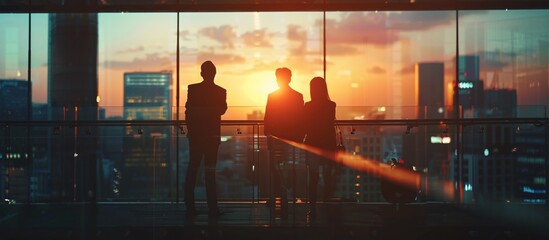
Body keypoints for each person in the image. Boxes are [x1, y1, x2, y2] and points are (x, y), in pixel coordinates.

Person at [184, 60, 227, 218]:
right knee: (210, 172)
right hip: (211, 137)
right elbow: (221, 110)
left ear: (202, 73)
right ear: (214, 73)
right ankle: (212, 209)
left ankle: (190, 207)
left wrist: (193, 127)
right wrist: (210, 111)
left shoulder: (193, 89)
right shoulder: (220, 91)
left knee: (193, 170)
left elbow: (189, 111)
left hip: (196, 136)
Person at [264, 67, 305, 219]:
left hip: (277, 138)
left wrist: (268, 135)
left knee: (276, 168)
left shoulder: (272, 96)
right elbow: (301, 119)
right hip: (292, 139)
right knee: (291, 167)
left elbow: (268, 118)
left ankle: (279, 195)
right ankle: (288, 195)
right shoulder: (297, 96)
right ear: (290, 78)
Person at [303, 76, 337, 217]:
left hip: (312, 143)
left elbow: (305, 126)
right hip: (327, 144)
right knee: (328, 176)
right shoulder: (331, 105)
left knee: (313, 178)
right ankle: (327, 206)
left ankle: (313, 208)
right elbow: (330, 126)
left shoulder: (308, 106)